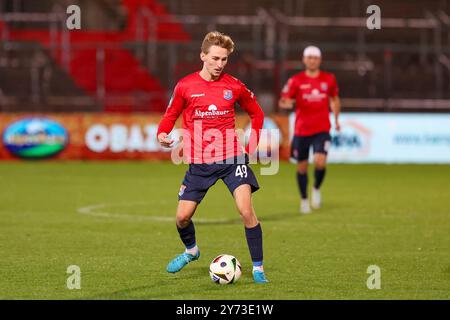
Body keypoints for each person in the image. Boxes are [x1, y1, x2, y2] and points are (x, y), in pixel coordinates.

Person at [156, 31, 268, 283]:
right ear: (202, 56)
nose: (219, 65)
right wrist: (162, 134)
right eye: (215, 58)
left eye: (225, 60)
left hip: (231, 159)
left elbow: (257, 114)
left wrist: (251, 147)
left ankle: (258, 269)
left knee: (245, 210)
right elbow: (170, 115)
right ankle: (191, 251)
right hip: (200, 163)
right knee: (182, 218)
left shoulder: (234, 86)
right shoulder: (185, 86)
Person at [279, 46, 341, 214]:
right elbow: (283, 100)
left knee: (320, 162)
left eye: (315, 57)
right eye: (309, 57)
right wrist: (287, 103)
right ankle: (304, 199)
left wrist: (336, 119)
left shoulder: (329, 79)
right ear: (304, 59)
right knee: (302, 168)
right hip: (302, 131)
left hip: (322, 129)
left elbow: (334, 99)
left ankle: (316, 188)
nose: (312, 60)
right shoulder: (296, 80)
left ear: (319, 60)